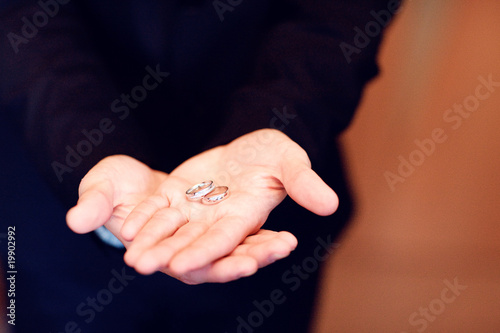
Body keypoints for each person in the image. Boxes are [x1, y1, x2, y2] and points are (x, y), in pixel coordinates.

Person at [0, 0, 400, 331]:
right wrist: (90, 148)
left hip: (270, 212)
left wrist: (278, 119)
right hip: (52, 198)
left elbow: (341, 15)